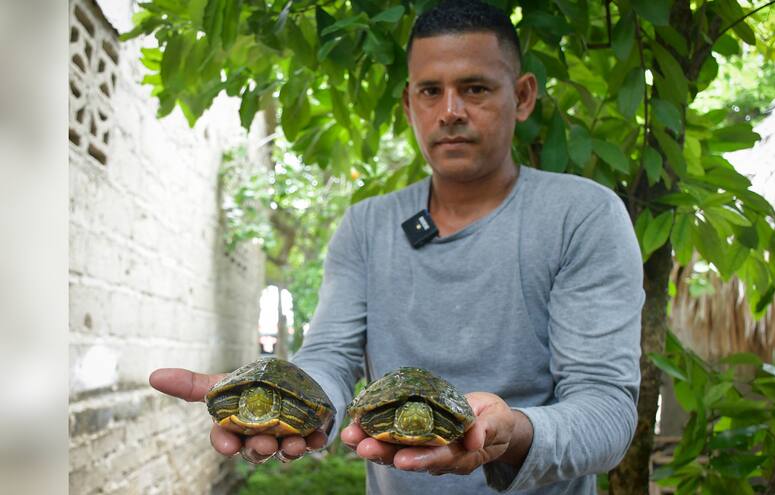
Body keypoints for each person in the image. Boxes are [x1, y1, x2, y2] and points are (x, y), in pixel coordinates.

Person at [150, 1, 645, 493]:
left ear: (522, 96)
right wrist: (283, 395)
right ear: (409, 103)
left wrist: (513, 431)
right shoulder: (367, 225)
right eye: (431, 91)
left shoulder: (583, 216)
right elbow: (329, 356)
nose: (450, 111)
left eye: (474, 88)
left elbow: (605, 410)